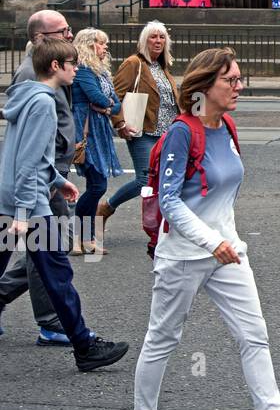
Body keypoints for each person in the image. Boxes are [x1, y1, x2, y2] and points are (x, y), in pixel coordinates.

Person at [133, 47, 280, 410]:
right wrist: (211, 241)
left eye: (239, 78)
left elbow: (222, 196)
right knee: (163, 339)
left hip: (229, 253)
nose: (239, 86)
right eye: (230, 80)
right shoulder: (182, 133)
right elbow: (169, 200)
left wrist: (223, 241)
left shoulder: (227, 126)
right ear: (204, 85)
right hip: (185, 256)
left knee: (254, 336)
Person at [0, 38, 130, 371]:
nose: (77, 67)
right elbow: (28, 161)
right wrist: (24, 215)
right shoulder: (43, 103)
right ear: (56, 66)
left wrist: (59, 181)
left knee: (54, 276)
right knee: (58, 276)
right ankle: (85, 346)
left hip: (14, 200)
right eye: (72, 63)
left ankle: (84, 343)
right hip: (31, 211)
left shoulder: (27, 97)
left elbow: (25, 153)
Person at [0, 10, 79, 345]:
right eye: (63, 31)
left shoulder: (53, 67)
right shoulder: (30, 74)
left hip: (49, 174)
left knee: (43, 246)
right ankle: (52, 322)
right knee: (46, 245)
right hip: (36, 181)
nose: (70, 35)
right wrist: (32, 194)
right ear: (41, 39)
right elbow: (27, 144)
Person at [101, 20, 180, 248]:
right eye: (153, 37)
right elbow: (114, 95)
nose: (158, 41)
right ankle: (105, 208)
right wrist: (119, 123)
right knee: (144, 180)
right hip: (142, 130)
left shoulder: (162, 66)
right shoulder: (133, 63)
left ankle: (163, 226)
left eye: (162, 37)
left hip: (167, 132)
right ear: (144, 41)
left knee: (164, 180)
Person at [69, 27, 124, 253]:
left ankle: (87, 239)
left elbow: (116, 103)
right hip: (87, 130)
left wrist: (107, 106)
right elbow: (97, 97)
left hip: (99, 128)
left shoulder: (100, 72)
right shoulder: (83, 70)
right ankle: (78, 236)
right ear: (90, 45)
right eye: (102, 43)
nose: (105, 47)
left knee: (96, 185)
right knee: (97, 185)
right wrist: (106, 104)